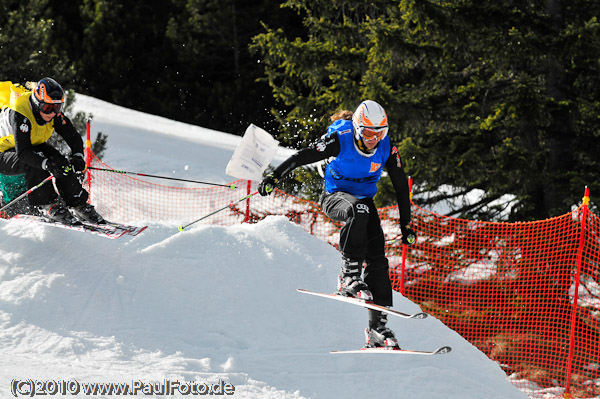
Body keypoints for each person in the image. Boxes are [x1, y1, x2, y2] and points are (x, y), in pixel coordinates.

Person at [258, 100, 416, 349]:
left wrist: (406, 225)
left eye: (380, 133)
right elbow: (302, 156)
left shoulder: (386, 148)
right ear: (356, 129)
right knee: (359, 210)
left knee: (378, 261)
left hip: (363, 202)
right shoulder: (340, 139)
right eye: (367, 132)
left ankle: (378, 329)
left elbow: (399, 186)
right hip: (335, 198)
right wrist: (274, 175)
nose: (373, 138)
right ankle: (348, 277)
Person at [0, 78, 105, 224]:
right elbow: (23, 153)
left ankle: (77, 203)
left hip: (28, 146)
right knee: (36, 162)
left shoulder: (53, 113)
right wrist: (46, 164)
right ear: (37, 104)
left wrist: (78, 156)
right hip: (4, 153)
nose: (53, 113)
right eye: (48, 108)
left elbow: (73, 136)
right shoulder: (20, 112)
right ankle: (47, 205)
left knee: (61, 162)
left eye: (57, 107)